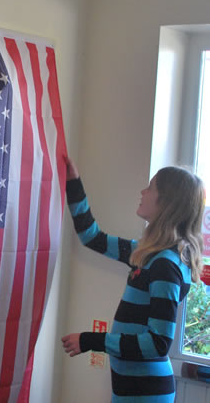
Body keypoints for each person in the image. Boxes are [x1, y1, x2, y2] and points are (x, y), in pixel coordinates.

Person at [61, 158, 205, 403]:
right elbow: (92, 237)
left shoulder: (166, 265)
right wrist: (73, 182)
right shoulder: (149, 254)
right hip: (132, 388)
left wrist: (89, 340)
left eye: (150, 188)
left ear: (166, 203)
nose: (143, 192)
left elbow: (157, 343)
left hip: (146, 393)